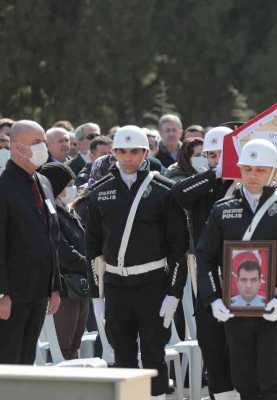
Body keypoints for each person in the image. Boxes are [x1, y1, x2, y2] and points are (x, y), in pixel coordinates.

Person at [196, 139, 277, 400]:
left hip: (276, 308)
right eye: (248, 168)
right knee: (244, 382)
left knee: (273, 383)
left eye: (261, 169)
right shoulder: (222, 209)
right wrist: (213, 298)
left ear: (274, 172)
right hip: (235, 309)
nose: (253, 175)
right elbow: (205, 257)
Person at [86, 125, 188, 399]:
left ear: (145, 152)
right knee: (123, 356)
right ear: (114, 152)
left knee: (154, 354)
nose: (128, 157)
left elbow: (179, 248)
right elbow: (92, 248)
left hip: (153, 284)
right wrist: (97, 296)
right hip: (116, 285)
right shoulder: (99, 191)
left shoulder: (164, 190)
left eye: (134, 151)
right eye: (121, 151)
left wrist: (174, 292)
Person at [171, 125, 236, 399]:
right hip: (208, 275)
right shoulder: (203, 184)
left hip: (241, 275)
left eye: (220, 154)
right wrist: (214, 175)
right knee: (211, 342)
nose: (213, 160)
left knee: (239, 345)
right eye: (210, 155)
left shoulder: (245, 184)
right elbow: (177, 195)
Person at [0, 120, 62, 364]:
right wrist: (1, 294)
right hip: (12, 294)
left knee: (27, 361)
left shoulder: (43, 182)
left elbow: (52, 236)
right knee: (7, 361)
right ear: (16, 147)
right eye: (36, 143)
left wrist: (54, 287)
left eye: (44, 141)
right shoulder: (3, 188)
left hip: (39, 291)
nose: (43, 148)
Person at [40, 163, 91, 360]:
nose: (73, 188)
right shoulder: (49, 212)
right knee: (63, 346)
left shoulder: (66, 209)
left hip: (79, 284)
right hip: (64, 285)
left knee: (74, 345)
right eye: (68, 184)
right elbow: (60, 247)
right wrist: (87, 264)